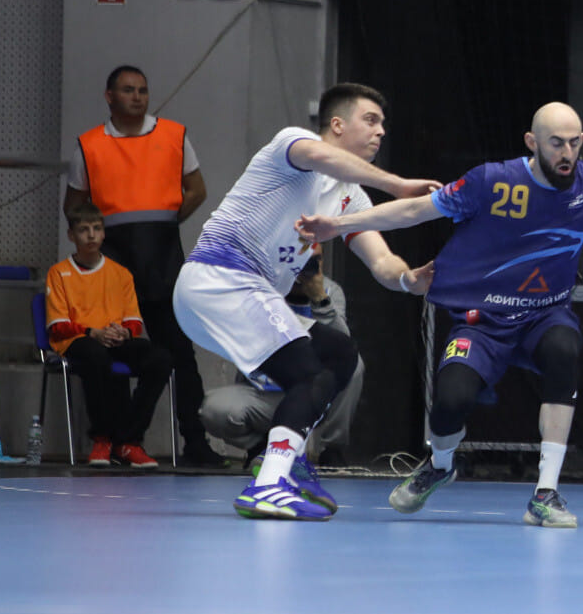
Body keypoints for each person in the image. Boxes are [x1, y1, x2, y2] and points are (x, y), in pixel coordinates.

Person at [298, 102, 583, 528]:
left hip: (544, 315)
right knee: (450, 403)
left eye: (573, 143)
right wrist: (338, 225)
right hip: (482, 321)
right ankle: (440, 464)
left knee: (564, 349)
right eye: (556, 143)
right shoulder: (491, 181)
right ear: (531, 142)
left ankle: (545, 493)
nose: (566, 154)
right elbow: (414, 210)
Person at [175, 83, 438, 520]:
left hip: (247, 296)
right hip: (221, 280)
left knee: (338, 352)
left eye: (383, 124)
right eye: (370, 120)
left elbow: (381, 260)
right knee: (309, 373)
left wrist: (410, 280)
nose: (380, 131)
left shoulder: (351, 197)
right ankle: (268, 484)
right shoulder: (293, 145)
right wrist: (396, 184)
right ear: (337, 124)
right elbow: (321, 155)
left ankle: (288, 460)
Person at [65, 65, 216, 467]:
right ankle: (118, 440)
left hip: (162, 261)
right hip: (113, 265)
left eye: (143, 91)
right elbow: (74, 206)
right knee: (113, 350)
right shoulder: (89, 146)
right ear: (109, 96)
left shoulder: (174, 136)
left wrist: (163, 224)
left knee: (179, 354)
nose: (138, 97)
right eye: (129, 90)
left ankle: (196, 443)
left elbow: (197, 189)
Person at [198, 244, 363, 468]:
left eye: (316, 260)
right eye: (301, 259)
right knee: (214, 409)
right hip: (266, 393)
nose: (308, 266)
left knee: (355, 366)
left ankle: (331, 449)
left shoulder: (330, 290)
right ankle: (260, 448)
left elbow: (345, 349)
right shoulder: (259, 289)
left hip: (316, 393)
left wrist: (319, 299)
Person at [44, 204, 174, 468]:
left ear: (104, 233)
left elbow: (134, 321)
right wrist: (92, 332)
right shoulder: (58, 273)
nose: (91, 235)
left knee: (160, 359)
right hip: (79, 340)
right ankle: (102, 438)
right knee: (96, 356)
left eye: (96, 228)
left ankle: (128, 440)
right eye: (84, 230)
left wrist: (124, 332)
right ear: (71, 235)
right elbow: (57, 326)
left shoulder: (120, 273)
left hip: (114, 338)